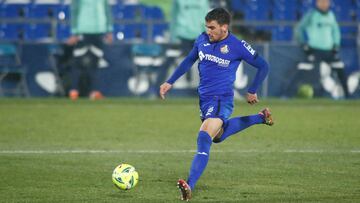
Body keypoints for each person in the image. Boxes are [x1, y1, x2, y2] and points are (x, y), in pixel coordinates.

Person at [159, 8, 274, 201]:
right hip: (205, 100)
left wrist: (253, 90)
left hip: (221, 99)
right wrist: (170, 81)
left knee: (204, 136)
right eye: (207, 27)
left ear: (224, 27)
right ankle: (261, 117)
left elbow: (264, 65)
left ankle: (189, 186)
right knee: (218, 136)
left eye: (212, 28)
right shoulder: (202, 39)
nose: (209, 31)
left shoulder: (237, 45)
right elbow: (189, 60)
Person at [294, 0, 349, 98]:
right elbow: (299, 28)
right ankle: (289, 95)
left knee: (340, 69)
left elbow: (336, 31)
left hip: (329, 50)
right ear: (317, 3)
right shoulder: (311, 15)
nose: (324, 4)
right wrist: (303, 44)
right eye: (322, 2)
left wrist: (336, 44)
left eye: (326, 2)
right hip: (314, 50)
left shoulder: (331, 15)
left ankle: (348, 96)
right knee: (304, 71)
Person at [66, 0, 113, 100]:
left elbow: (107, 10)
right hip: (83, 29)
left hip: (99, 30)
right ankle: (74, 91)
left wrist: (109, 30)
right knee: (77, 62)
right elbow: (74, 10)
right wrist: (74, 32)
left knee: (96, 62)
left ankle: (94, 92)